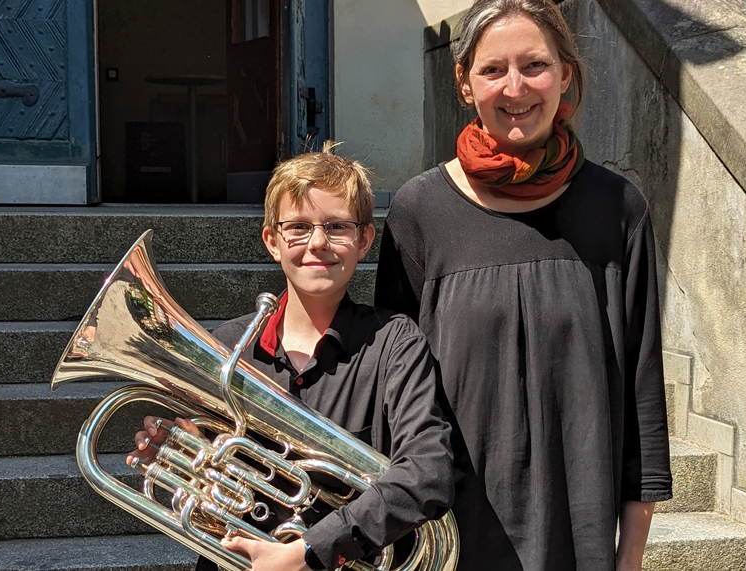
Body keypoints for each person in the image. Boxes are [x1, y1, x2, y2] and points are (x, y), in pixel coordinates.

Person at [374, 1, 672, 570]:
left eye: (534, 65)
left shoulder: (617, 208)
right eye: (492, 70)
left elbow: (642, 399)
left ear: (565, 73)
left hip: (579, 535)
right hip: (453, 536)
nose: (516, 87)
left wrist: (629, 558)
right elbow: (389, 391)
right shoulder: (419, 212)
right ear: (464, 84)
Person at [126, 143, 454, 571]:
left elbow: (428, 469)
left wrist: (308, 552)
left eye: (337, 226)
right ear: (272, 241)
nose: (318, 243)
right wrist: (180, 460)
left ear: (365, 239)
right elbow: (205, 498)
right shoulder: (228, 347)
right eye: (298, 227)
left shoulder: (394, 342)